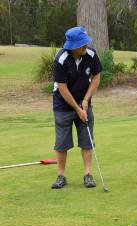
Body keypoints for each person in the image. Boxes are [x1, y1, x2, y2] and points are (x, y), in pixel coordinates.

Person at [51, 26, 102, 189]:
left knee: (87, 139)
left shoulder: (91, 54)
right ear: (73, 46)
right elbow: (62, 88)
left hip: (83, 102)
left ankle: (88, 174)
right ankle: (61, 175)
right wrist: (77, 109)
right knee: (62, 142)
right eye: (82, 44)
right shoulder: (60, 59)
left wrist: (86, 101)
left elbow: (96, 77)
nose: (86, 46)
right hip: (63, 105)